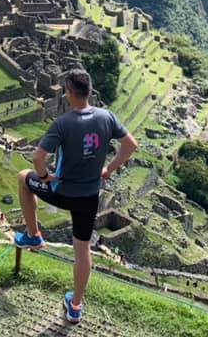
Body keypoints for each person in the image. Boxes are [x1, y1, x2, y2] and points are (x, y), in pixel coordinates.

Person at [12, 68, 139, 325]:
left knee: (23, 178)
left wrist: (45, 176)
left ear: (69, 93)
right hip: (90, 195)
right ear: (90, 91)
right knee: (82, 249)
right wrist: (108, 170)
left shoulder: (64, 123)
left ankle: (34, 236)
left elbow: (38, 157)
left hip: (62, 191)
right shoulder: (107, 117)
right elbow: (131, 145)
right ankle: (75, 306)